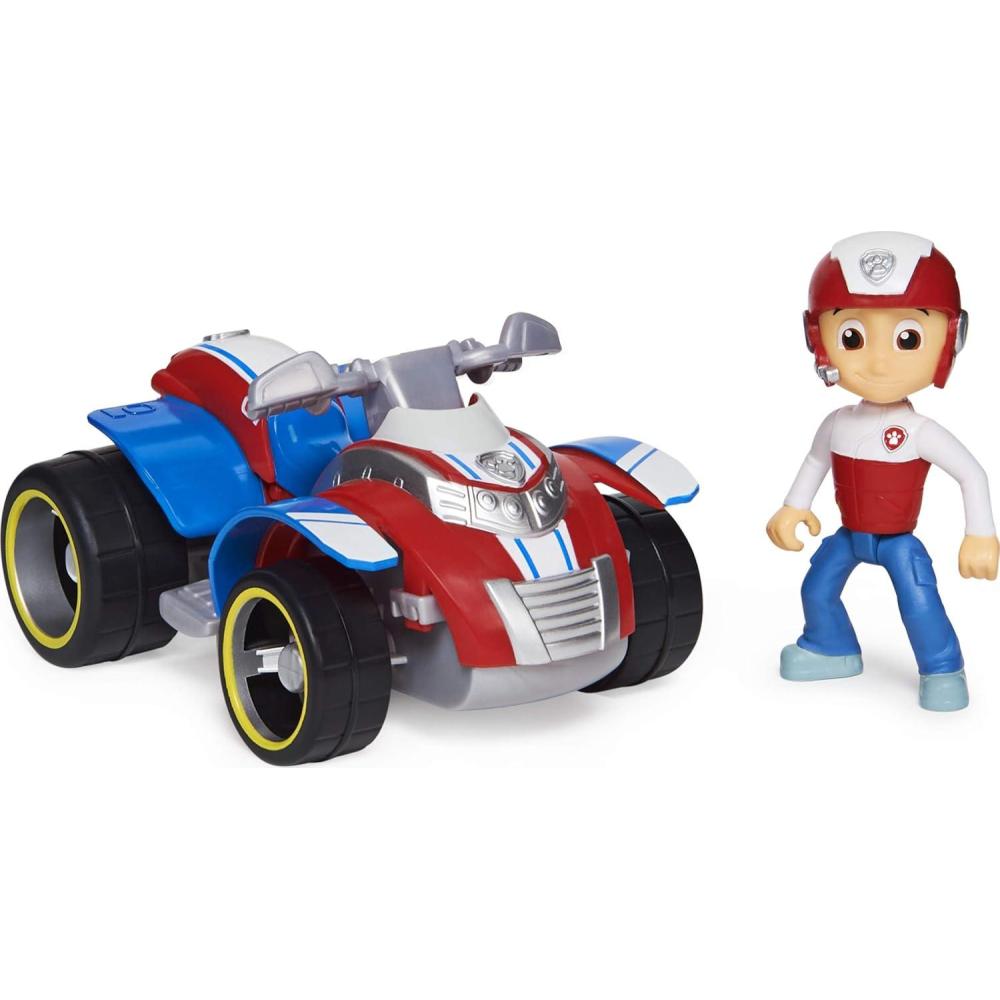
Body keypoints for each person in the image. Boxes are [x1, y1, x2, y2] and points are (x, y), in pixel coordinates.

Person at [766, 231, 998, 710]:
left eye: (906, 338)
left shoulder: (920, 431)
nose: (878, 361)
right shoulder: (837, 423)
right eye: (852, 337)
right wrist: (793, 508)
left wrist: (980, 534)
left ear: (949, 338)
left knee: (918, 601)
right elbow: (815, 461)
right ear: (818, 339)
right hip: (849, 535)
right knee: (817, 587)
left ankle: (942, 668)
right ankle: (830, 645)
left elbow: (972, 473)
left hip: (898, 542)